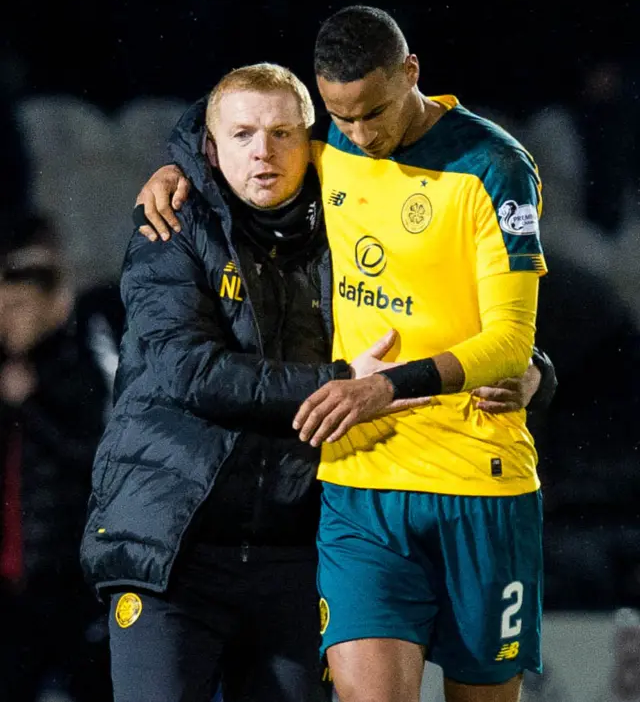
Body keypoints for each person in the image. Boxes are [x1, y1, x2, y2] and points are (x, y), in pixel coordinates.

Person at [101, 56, 554, 702]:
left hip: (297, 546)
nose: (264, 151)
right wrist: (344, 380)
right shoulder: (172, 227)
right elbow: (187, 371)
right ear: (209, 143)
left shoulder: (340, 209)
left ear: (312, 137)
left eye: (284, 134)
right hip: (176, 548)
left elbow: (445, 307)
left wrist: (534, 367)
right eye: (241, 135)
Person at [0, 214, 113, 702]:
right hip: (12, 579)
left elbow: (90, 455)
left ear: (51, 306)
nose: (11, 319)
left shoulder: (73, 363)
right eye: (4, 307)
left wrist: (31, 404)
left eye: (22, 305)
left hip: (64, 574)